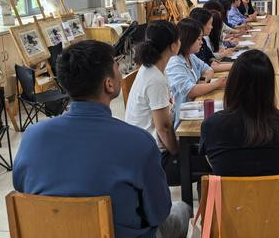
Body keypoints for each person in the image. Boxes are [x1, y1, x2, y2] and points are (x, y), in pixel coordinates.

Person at [13, 40, 191, 238]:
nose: (120, 72)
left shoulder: (32, 137)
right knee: (182, 210)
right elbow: (158, 212)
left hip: (53, 232)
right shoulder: (138, 142)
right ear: (109, 84)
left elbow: (22, 190)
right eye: (117, 67)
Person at [199, 50, 279, 176]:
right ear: (269, 87)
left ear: (232, 83)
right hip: (273, 189)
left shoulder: (212, 124)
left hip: (227, 189)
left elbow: (206, 153)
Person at [125, 21, 183, 186]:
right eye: (179, 39)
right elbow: (163, 129)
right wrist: (178, 153)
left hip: (143, 149)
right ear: (173, 46)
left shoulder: (150, 69)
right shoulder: (155, 79)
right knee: (206, 164)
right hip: (152, 158)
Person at [166, 18, 226, 125]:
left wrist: (202, 81)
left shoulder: (190, 56)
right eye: (198, 39)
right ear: (188, 39)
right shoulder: (175, 63)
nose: (201, 42)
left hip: (194, 108)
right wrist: (217, 84)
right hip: (183, 119)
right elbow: (191, 91)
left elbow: (208, 69)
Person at [189, 7, 232, 72]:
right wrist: (235, 65)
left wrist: (212, 60)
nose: (212, 27)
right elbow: (206, 67)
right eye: (210, 24)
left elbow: (210, 56)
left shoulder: (203, 40)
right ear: (201, 25)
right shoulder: (194, 45)